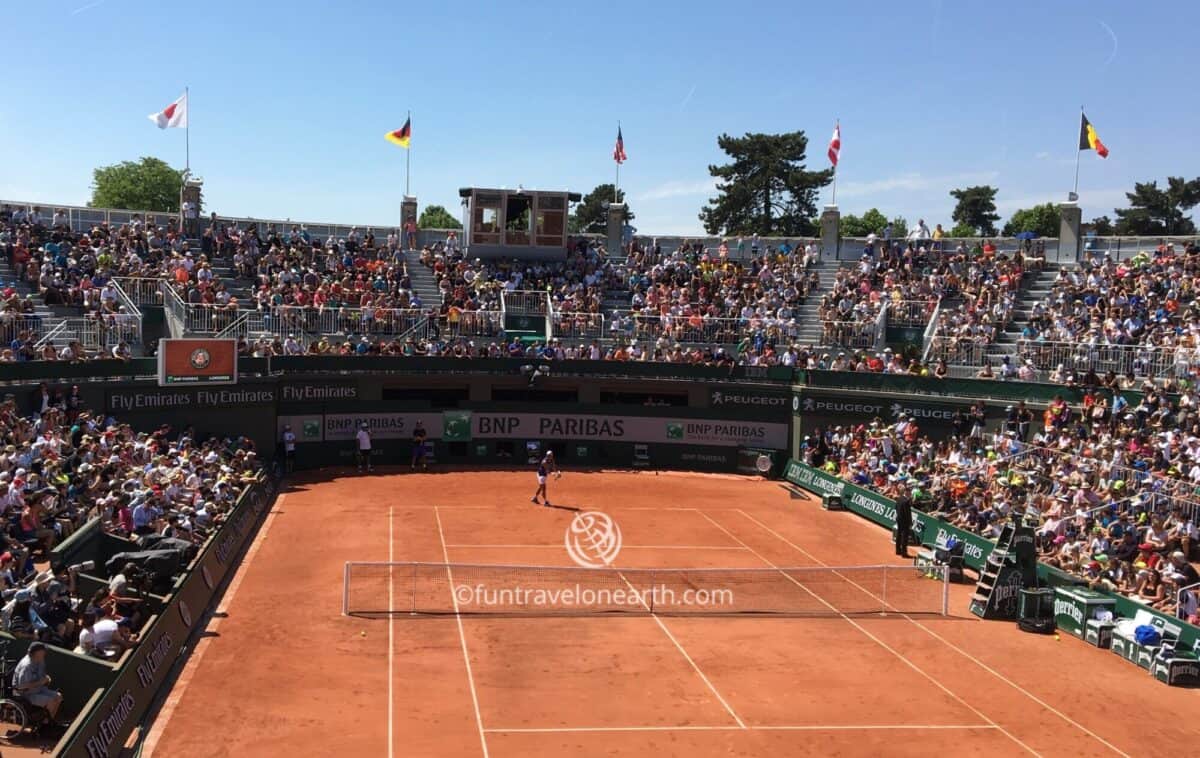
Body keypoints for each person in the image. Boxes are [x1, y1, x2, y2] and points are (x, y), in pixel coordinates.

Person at [13, 642, 63, 722]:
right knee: (51, 701)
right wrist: (41, 682)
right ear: (37, 653)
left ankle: (48, 721)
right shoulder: (26, 666)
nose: (45, 652)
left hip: (38, 689)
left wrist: (46, 678)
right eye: (43, 651)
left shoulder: (40, 660)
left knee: (59, 696)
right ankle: (46, 724)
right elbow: (21, 686)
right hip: (26, 694)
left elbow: (41, 676)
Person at [894, 486, 914, 558]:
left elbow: (896, 507)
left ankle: (898, 550)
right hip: (905, 521)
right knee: (904, 537)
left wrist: (899, 515)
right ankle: (904, 553)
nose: (910, 493)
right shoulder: (906, 501)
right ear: (907, 492)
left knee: (899, 535)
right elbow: (907, 513)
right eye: (909, 492)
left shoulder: (899, 498)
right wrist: (910, 522)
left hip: (899, 519)